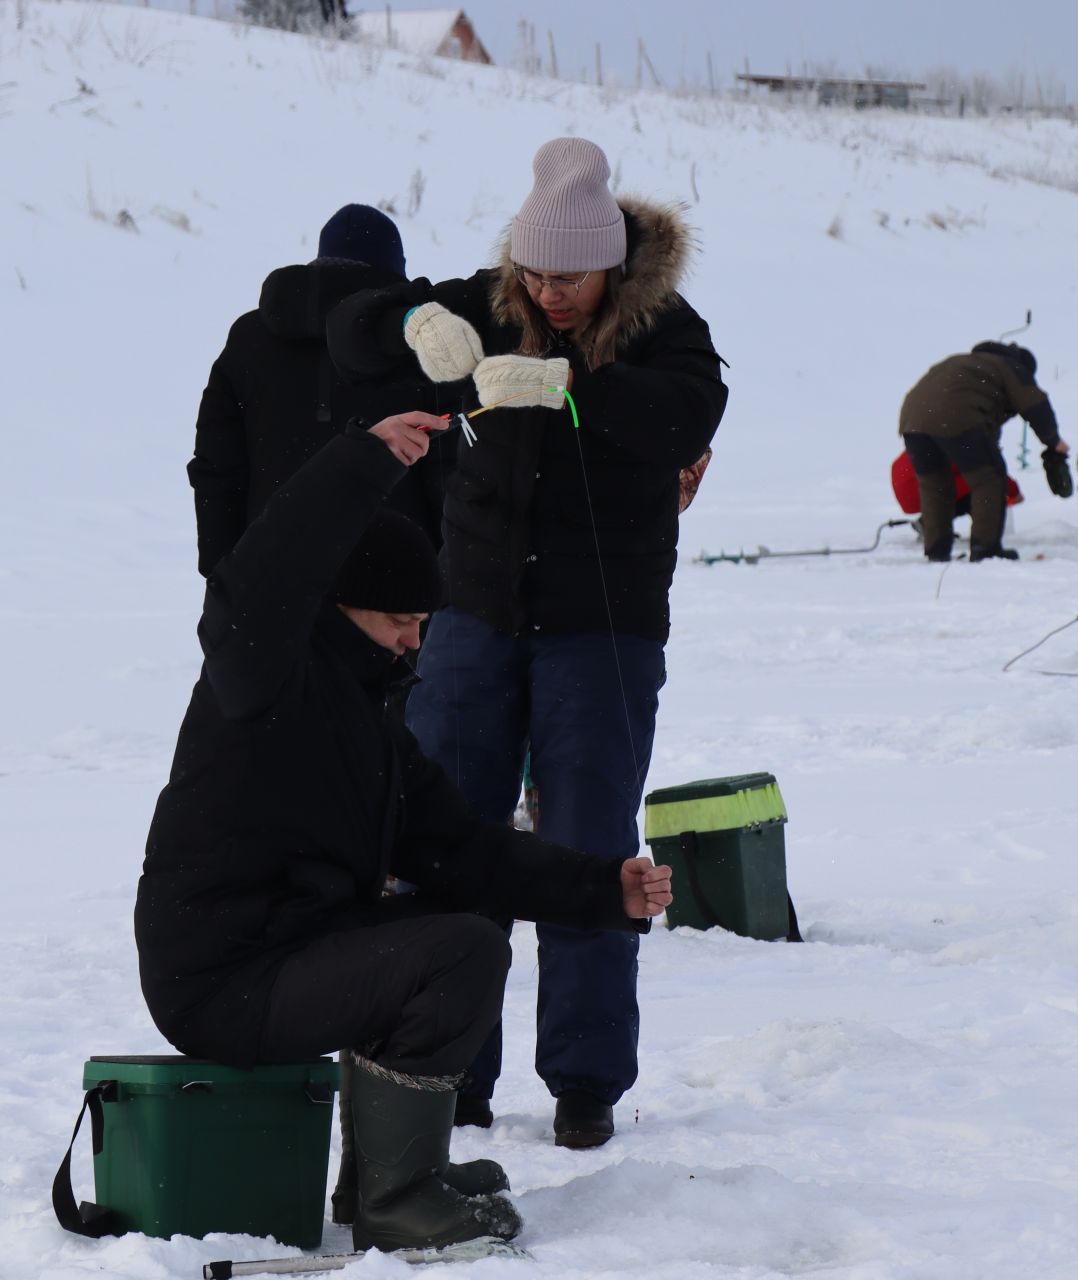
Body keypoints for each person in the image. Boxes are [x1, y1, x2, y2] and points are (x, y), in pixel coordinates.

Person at [134, 418, 674, 1253]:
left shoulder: (372, 722)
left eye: (423, 619)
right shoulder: (262, 675)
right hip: (222, 974)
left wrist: (603, 889)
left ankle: (381, 1178)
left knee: (453, 927)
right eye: (396, 618)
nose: (414, 640)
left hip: (292, 949)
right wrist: (364, 458)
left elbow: (464, 849)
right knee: (457, 951)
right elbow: (264, 572)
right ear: (335, 602)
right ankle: (397, 1198)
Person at [327, 137, 726, 1149]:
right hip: (471, 614)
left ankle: (586, 1076)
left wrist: (570, 388)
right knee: (446, 830)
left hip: (606, 629)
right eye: (537, 274)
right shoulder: (486, 301)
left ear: (613, 268)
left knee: (587, 837)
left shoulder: (665, 331)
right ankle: (445, 1064)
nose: (552, 294)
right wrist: (408, 319)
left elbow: (690, 409)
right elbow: (343, 325)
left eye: (572, 278)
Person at [188, 204, 461, 577]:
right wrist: (446, 583)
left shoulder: (250, 338)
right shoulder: (415, 345)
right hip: (393, 585)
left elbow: (216, 468)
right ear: (395, 270)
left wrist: (222, 573)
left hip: (270, 577)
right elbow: (449, 475)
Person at [898, 341, 1070, 561]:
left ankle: (936, 550)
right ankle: (985, 549)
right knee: (989, 478)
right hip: (956, 417)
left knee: (935, 486)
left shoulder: (965, 363)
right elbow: (1033, 401)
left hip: (913, 422)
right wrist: (1052, 440)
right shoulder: (1011, 365)